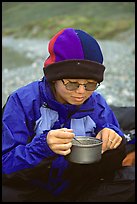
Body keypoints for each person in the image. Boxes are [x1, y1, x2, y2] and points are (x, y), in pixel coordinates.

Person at [2, 28, 135, 202]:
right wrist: (42, 147)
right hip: (31, 188)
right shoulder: (22, 101)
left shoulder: (97, 102)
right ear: (54, 78)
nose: (81, 92)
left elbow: (114, 153)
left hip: (80, 184)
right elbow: (5, 163)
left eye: (90, 84)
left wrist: (114, 137)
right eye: (72, 84)